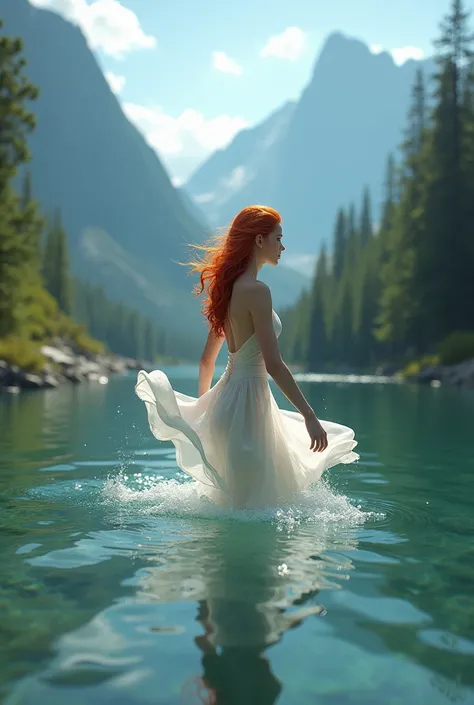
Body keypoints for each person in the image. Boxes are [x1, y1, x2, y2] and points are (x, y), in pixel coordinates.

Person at [135, 205, 358, 508]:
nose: (283, 246)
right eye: (278, 238)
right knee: (259, 505)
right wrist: (309, 415)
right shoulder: (257, 291)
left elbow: (205, 361)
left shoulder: (227, 290)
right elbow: (274, 364)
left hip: (226, 401)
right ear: (259, 241)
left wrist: (206, 412)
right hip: (251, 404)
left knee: (235, 503)